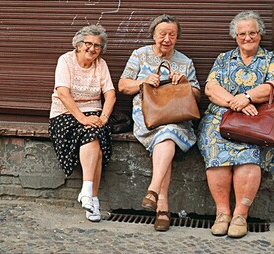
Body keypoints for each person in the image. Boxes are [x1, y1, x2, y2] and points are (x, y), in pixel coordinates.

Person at [198, 10, 274, 238]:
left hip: (255, 118)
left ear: (260, 34)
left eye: (252, 33)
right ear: (235, 36)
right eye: (242, 34)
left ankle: (240, 215)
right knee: (216, 150)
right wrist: (235, 103)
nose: (247, 38)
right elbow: (210, 88)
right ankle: (222, 213)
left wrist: (247, 97)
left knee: (249, 153)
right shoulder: (224, 58)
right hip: (221, 116)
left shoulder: (269, 58)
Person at [118, 14, 201, 231]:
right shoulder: (140, 55)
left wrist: (183, 83)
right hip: (148, 117)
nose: (166, 39)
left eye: (172, 35)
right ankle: (162, 206)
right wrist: (142, 82)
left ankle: (154, 192)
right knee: (166, 136)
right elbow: (123, 85)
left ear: (177, 38)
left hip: (177, 117)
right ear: (153, 35)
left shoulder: (185, 62)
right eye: (162, 34)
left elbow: (198, 95)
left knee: (169, 133)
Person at [49, 24, 116, 222]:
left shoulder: (100, 64)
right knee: (92, 135)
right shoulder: (65, 60)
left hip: (94, 113)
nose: (92, 49)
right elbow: (62, 93)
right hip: (64, 113)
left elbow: (110, 95)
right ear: (78, 45)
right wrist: (82, 118)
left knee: (95, 136)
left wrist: (103, 118)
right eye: (88, 43)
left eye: (97, 45)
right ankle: (92, 198)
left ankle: (88, 194)